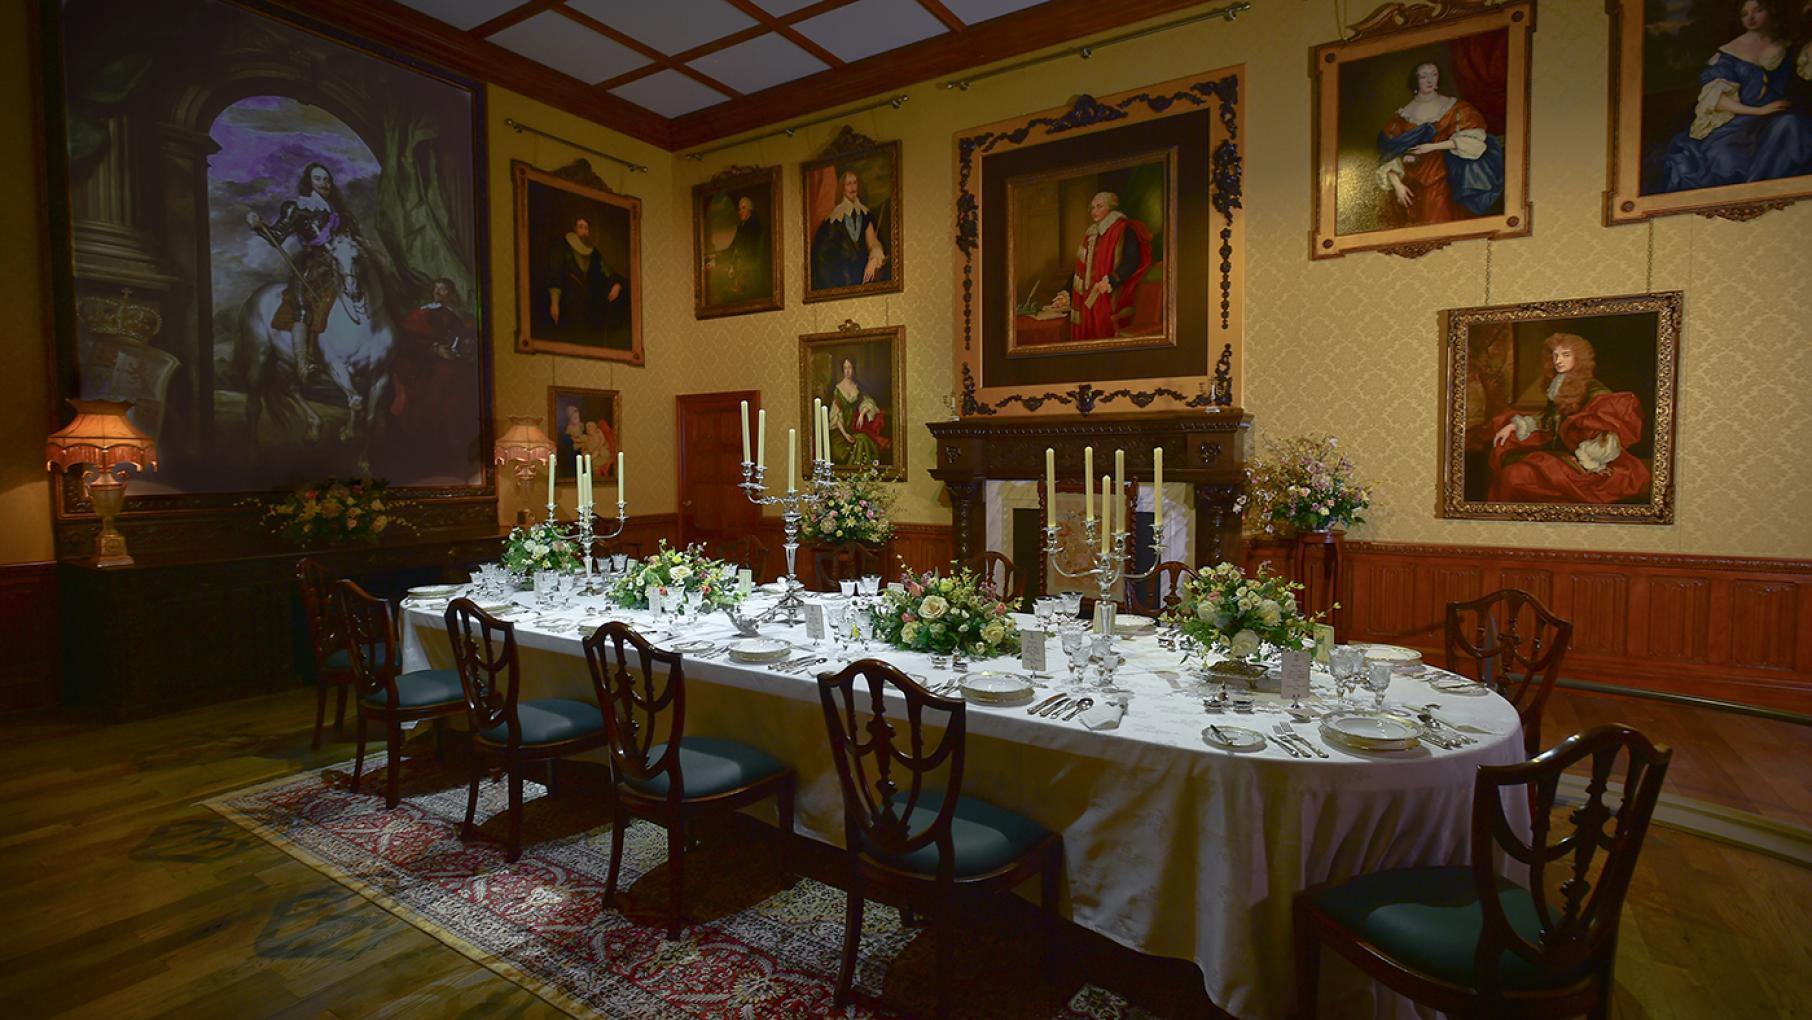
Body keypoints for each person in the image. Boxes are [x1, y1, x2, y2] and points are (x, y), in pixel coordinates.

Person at [1651, 0, 1812, 193]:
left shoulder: (1789, 48)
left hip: (1779, 115)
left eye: (1758, 10)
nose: (1750, 17)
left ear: (1771, 12)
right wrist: (1759, 110)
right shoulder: (1729, 52)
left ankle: (1766, 192)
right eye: (1745, 13)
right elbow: (1718, 100)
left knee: (1792, 125)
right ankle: (1753, 194)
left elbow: (1804, 77)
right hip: (1740, 122)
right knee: (1726, 158)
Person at [1487, 333, 1650, 504]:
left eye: (1566, 354)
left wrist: (1589, 458)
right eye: (1555, 355)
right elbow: (1548, 419)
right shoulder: (1558, 383)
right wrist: (1513, 426)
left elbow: (1607, 428)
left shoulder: (1594, 389)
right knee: (1507, 458)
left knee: (1514, 476)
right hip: (1558, 450)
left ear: (1579, 358)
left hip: (1585, 460)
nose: (1558, 360)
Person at [244, 162, 364, 377]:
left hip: (341, 262)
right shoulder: (298, 207)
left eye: (327, 179)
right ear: (309, 181)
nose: (323, 183)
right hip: (311, 264)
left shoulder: (341, 212)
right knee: (303, 306)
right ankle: (303, 362)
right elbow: (278, 236)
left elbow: (354, 238)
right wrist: (258, 225)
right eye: (318, 178)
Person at [1375, 62, 1505, 224]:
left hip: (1441, 175)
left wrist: (1433, 147)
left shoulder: (1457, 109)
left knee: (1437, 219)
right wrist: (1397, 186)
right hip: (1409, 180)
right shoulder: (1400, 119)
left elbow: (1473, 142)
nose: (1429, 80)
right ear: (1416, 80)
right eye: (1423, 76)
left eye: (1433, 74)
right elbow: (1388, 156)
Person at [1044, 191, 1153, 341]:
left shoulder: (1124, 229)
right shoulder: (1091, 235)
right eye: (1092, 208)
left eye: (1099, 207)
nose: (1094, 211)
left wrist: (1110, 281)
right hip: (1086, 301)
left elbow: (1132, 261)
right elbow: (1079, 270)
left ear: (1110, 208)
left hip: (1107, 296)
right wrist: (1066, 293)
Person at [390, 277, 475, 460]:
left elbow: (465, 340)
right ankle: (424, 445)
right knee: (437, 384)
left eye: (443, 289)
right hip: (422, 366)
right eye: (436, 289)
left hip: (451, 365)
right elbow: (408, 345)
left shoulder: (455, 316)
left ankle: (451, 445)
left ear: (450, 294)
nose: (438, 292)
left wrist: (460, 351)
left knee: (457, 385)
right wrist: (434, 350)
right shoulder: (420, 314)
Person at [546, 215, 628, 344]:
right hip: (568, 302)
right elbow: (554, 274)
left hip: (589, 305)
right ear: (574, 229)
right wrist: (554, 302)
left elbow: (608, 272)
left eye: (586, 228)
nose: (584, 232)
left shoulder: (594, 253)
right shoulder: (562, 247)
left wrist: (617, 284)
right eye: (581, 227)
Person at [811, 169, 887, 290]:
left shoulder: (865, 214)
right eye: (848, 184)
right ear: (842, 188)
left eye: (855, 183)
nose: (852, 187)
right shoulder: (833, 220)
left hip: (864, 277)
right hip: (842, 278)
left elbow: (873, 243)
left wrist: (874, 259)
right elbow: (823, 254)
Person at [704, 194, 769, 303]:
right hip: (739, 269)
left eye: (744, 208)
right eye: (739, 209)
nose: (740, 211)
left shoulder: (754, 228)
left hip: (748, 274)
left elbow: (744, 254)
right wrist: (714, 259)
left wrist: (722, 263)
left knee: (719, 285)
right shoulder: (741, 228)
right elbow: (732, 248)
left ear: (750, 210)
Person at [827, 357, 888, 466]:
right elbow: (837, 417)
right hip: (841, 432)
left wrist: (862, 413)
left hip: (856, 428)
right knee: (855, 443)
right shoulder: (838, 389)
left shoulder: (858, 387)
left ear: (854, 368)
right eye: (845, 368)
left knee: (863, 440)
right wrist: (845, 435)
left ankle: (863, 474)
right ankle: (854, 474)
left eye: (849, 367)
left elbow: (868, 402)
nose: (847, 371)